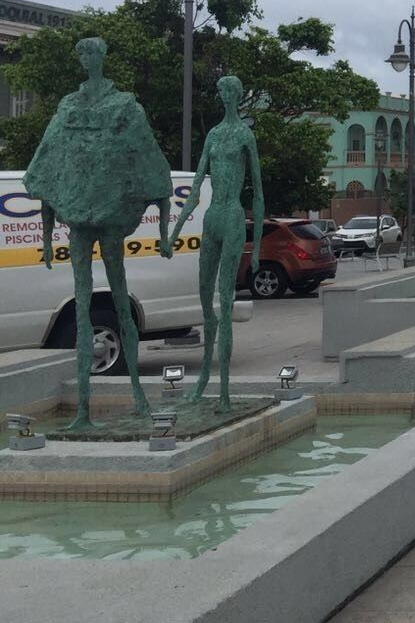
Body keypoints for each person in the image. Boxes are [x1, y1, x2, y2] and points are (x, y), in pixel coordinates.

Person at [24, 37, 173, 430]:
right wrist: (44, 234)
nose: (87, 59)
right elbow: (50, 161)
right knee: (83, 308)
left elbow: (147, 158)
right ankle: (84, 411)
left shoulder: (124, 105)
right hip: (77, 219)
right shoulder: (68, 107)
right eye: (82, 53)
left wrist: (162, 227)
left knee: (121, 302)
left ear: (103, 57)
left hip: (109, 216)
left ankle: (138, 393)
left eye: (92, 52)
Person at [167, 75, 262, 412]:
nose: (223, 96)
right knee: (205, 303)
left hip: (234, 217)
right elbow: (194, 188)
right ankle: (203, 381)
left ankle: (223, 391)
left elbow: (259, 194)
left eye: (228, 91)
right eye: (220, 91)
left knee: (224, 301)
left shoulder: (244, 136)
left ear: (237, 94)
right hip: (212, 218)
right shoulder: (214, 135)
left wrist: (259, 247)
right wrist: (174, 232)